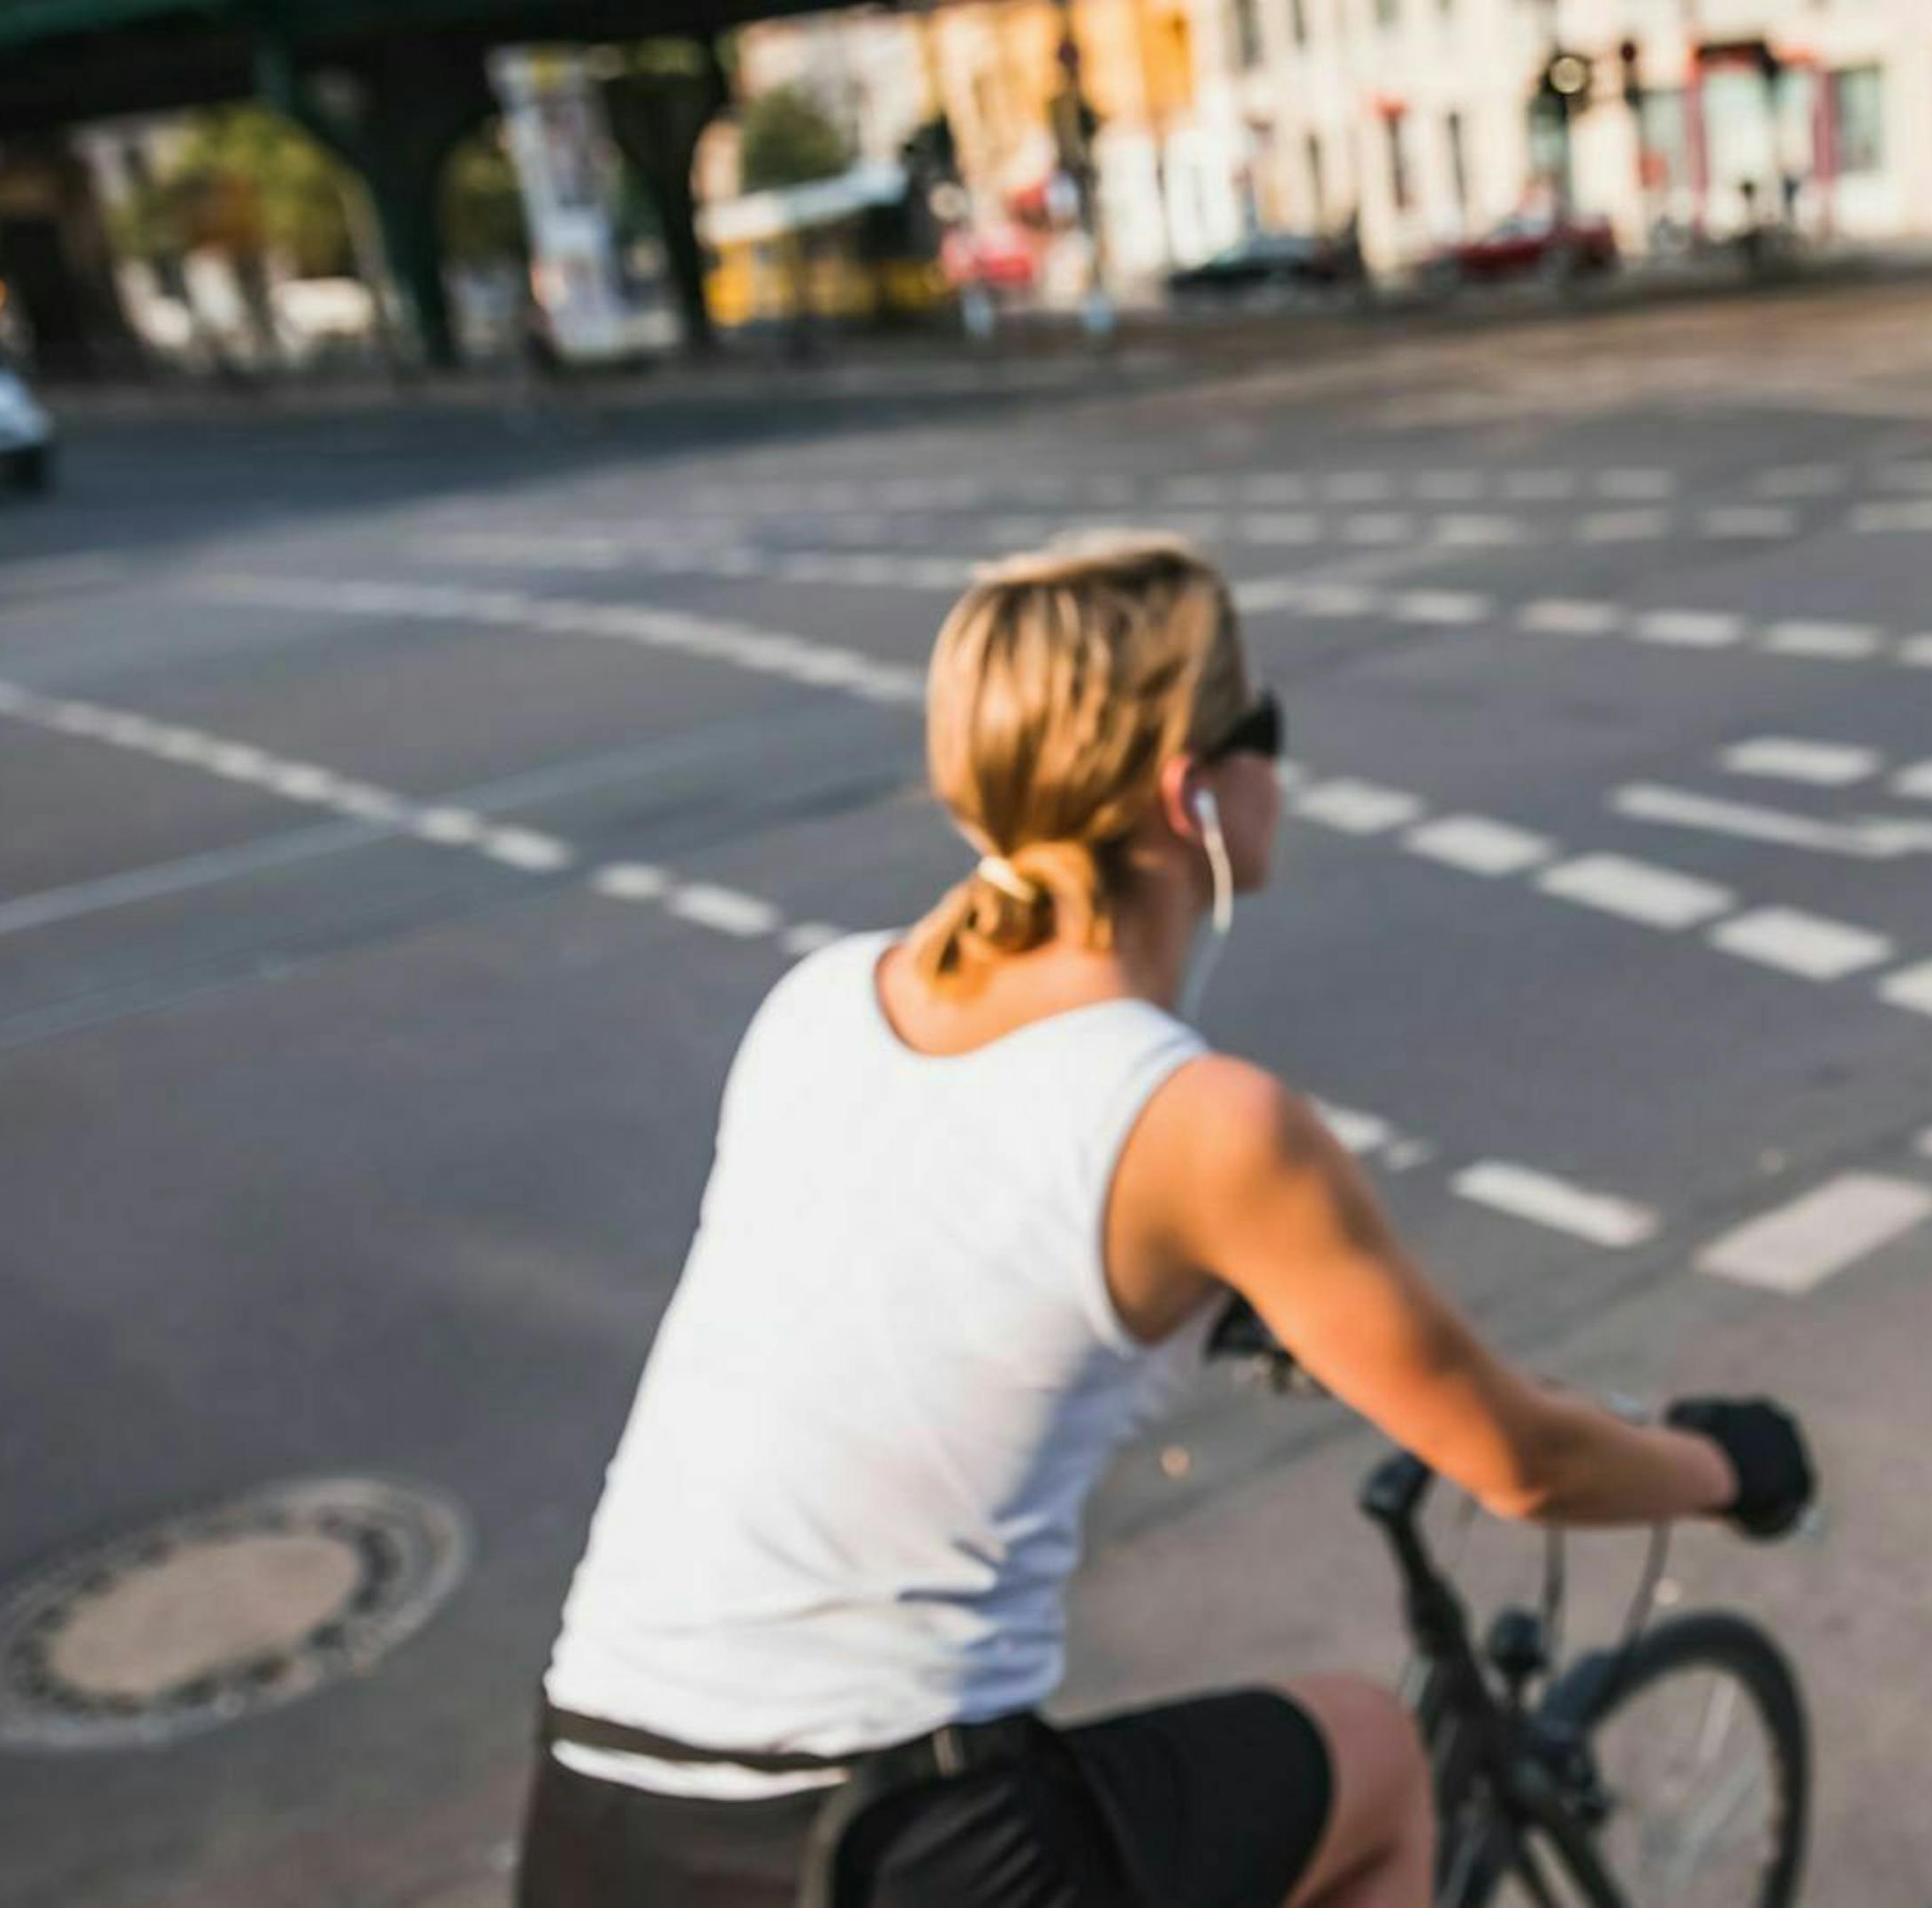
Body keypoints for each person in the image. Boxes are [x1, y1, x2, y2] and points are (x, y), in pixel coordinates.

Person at [519, 533, 1815, 1908]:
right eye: (1268, 727)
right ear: (1188, 792)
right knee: (1376, 1758)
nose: (1282, 765)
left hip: (600, 1812)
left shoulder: (819, 999)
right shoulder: (1201, 1127)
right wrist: (1730, 1468)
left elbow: (919, 1253)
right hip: (891, 1845)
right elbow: (1526, 1465)